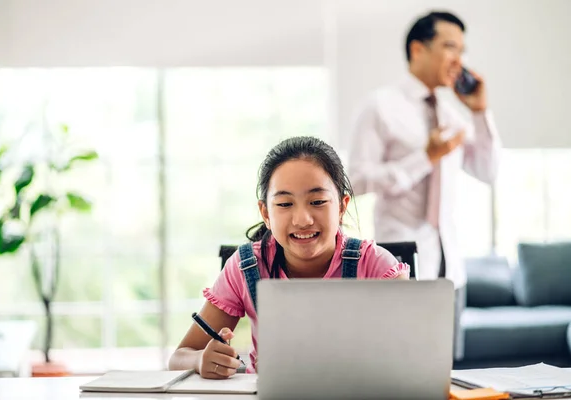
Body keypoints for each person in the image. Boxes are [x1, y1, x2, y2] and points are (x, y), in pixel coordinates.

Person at [168, 136, 409, 378]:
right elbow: (180, 356)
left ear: (341, 206)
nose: (302, 219)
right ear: (266, 213)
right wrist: (202, 360)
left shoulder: (376, 266)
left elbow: (410, 357)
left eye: (317, 201)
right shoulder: (246, 266)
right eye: (284, 204)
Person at [345, 11, 501, 361]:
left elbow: (488, 171)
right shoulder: (379, 107)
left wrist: (480, 111)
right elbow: (354, 180)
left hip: (449, 266)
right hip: (399, 260)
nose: (459, 59)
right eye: (449, 46)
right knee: (399, 364)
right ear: (418, 49)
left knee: (443, 369)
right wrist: (424, 158)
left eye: (462, 49)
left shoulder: (453, 117)